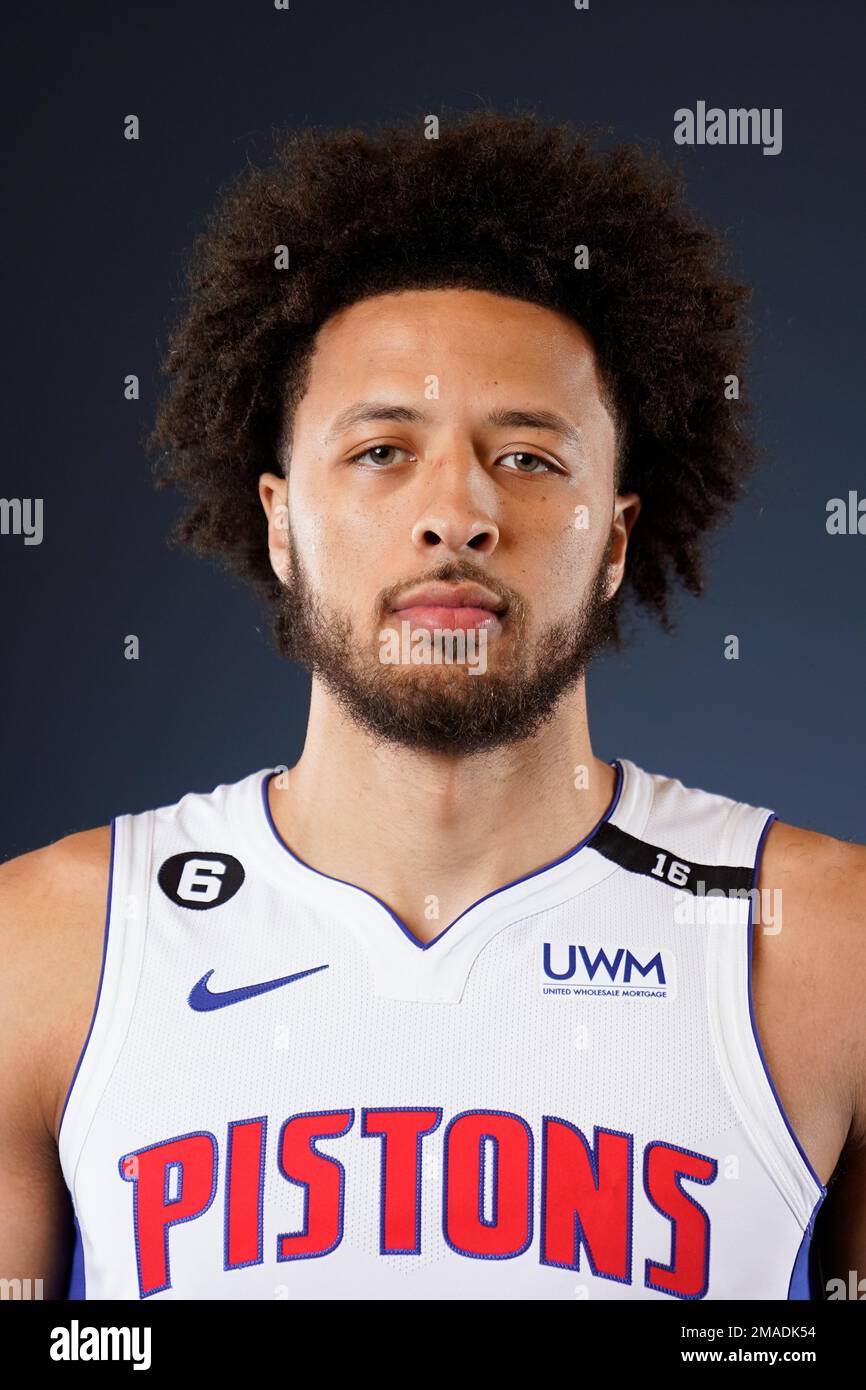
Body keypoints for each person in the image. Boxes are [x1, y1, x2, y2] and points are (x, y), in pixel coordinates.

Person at [1, 109, 863, 1301]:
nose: (454, 514)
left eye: (527, 457)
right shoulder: (41, 951)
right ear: (278, 520)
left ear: (613, 540)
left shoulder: (825, 946)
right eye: (380, 450)